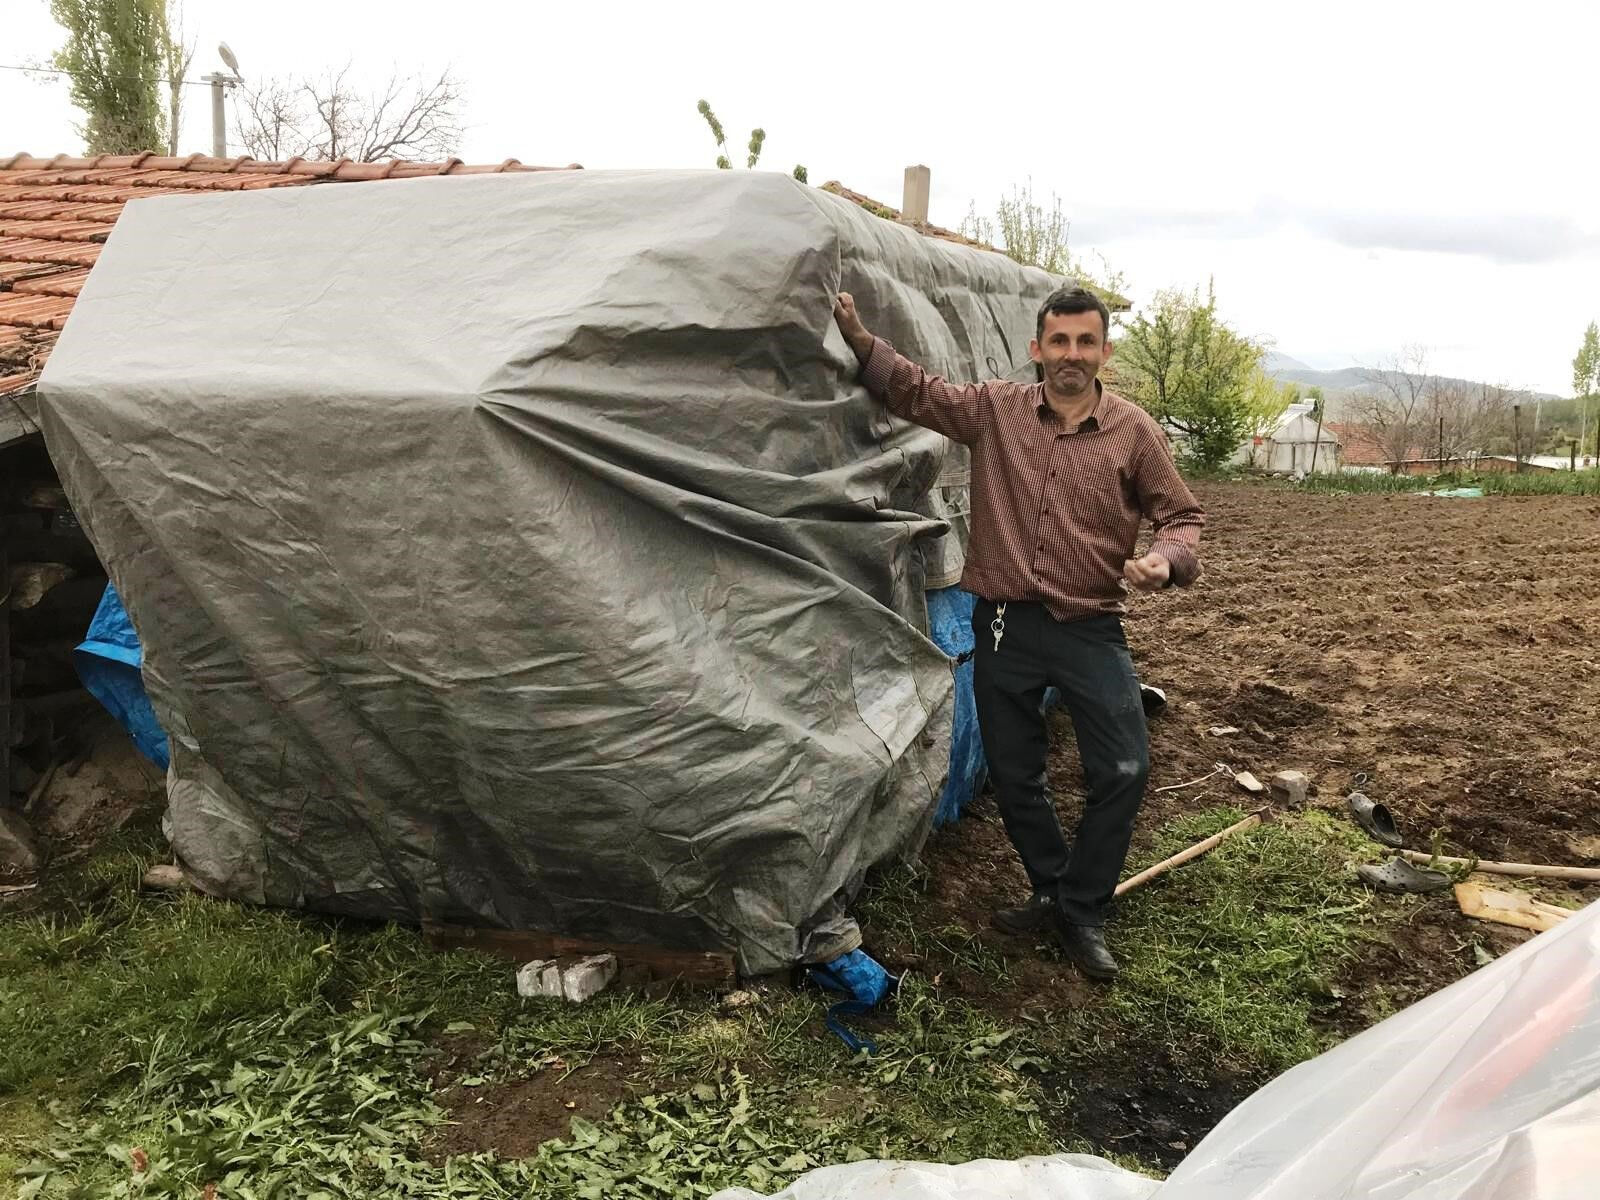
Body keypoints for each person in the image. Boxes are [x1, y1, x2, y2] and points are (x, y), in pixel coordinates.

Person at [832, 286, 1204, 981]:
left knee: (1124, 768)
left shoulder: (1134, 431)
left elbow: (1182, 516)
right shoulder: (996, 411)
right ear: (1037, 348)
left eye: (1085, 342)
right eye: (1059, 341)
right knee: (1013, 771)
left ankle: (1083, 908)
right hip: (1004, 623)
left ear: (1105, 351)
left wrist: (1166, 558)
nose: (1071, 355)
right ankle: (1053, 888)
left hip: (1089, 624)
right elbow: (918, 392)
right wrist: (859, 339)